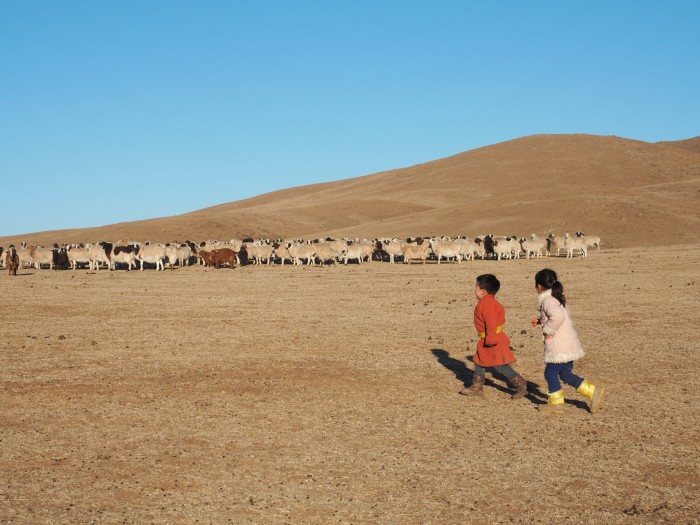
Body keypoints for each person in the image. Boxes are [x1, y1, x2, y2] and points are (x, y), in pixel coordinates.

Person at [531, 268, 605, 413]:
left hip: (559, 346)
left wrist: (548, 330)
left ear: (539, 286)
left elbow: (558, 317)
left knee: (550, 373)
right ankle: (592, 391)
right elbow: (555, 315)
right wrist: (540, 321)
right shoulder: (556, 297)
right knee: (565, 374)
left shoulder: (547, 300)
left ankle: (556, 403)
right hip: (568, 343)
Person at [460, 274, 528, 399]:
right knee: (479, 360)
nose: (474, 289)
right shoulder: (489, 302)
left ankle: (521, 385)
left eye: (476, 287)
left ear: (483, 291)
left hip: (492, 339)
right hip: (490, 337)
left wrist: (490, 339)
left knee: (499, 365)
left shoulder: (486, 304)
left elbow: (491, 323)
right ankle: (477, 387)